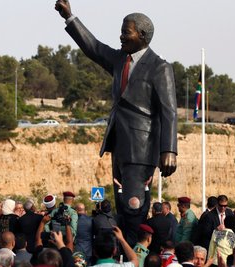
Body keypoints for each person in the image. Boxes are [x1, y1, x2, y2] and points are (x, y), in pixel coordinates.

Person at [55, 0, 178, 245]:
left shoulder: (159, 67)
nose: (121, 36)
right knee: (123, 209)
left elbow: (169, 111)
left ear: (142, 35)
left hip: (142, 148)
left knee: (134, 208)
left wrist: (169, 149)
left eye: (126, 32)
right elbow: (94, 48)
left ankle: (134, 263)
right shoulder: (120, 59)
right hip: (119, 144)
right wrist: (70, 17)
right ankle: (125, 257)